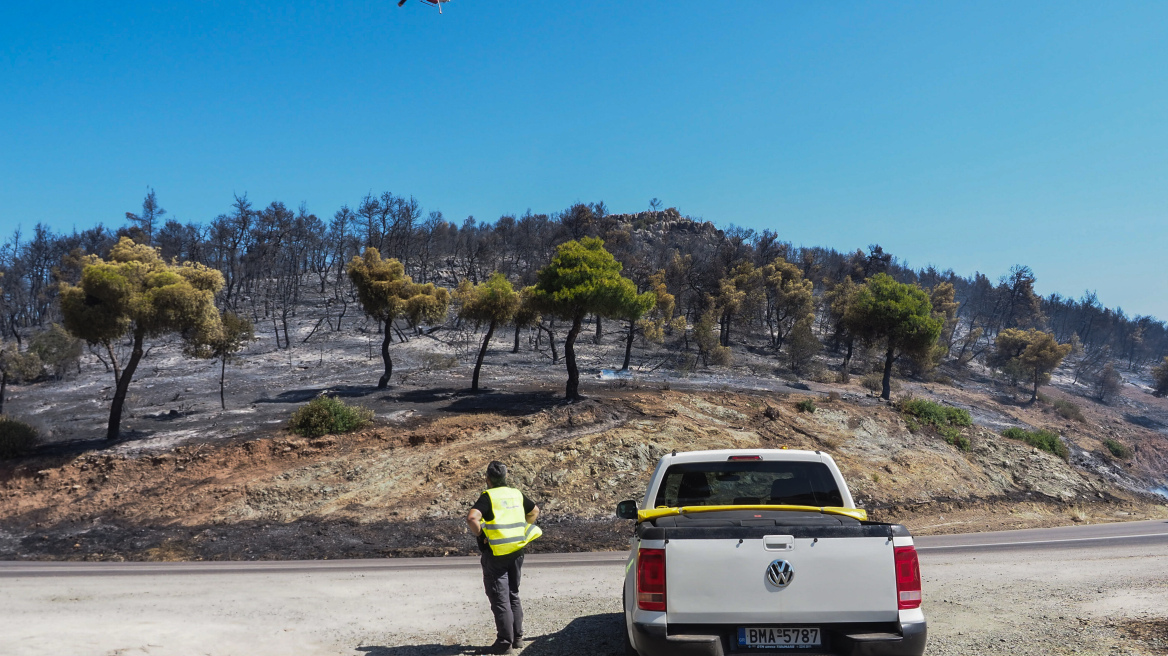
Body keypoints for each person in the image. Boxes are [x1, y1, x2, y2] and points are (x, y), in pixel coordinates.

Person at [466, 461, 541, 655]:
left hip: (496, 553)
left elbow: (472, 518)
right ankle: (517, 638)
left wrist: (480, 535)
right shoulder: (515, 493)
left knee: (500, 599)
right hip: (517, 551)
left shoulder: (488, 496)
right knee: (513, 593)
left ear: (488, 479)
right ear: (506, 476)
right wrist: (522, 528)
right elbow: (534, 511)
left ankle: (504, 643)